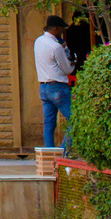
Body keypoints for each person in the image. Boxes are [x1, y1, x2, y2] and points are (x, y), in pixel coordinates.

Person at [35, 15, 76, 150]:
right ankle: (62, 152)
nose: (63, 31)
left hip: (44, 87)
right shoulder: (56, 47)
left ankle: (49, 155)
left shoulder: (38, 41)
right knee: (75, 120)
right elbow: (67, 69)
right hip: (58, 87)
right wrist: (72, 60)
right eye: (62, 28)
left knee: (49, 123)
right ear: (56, 29)